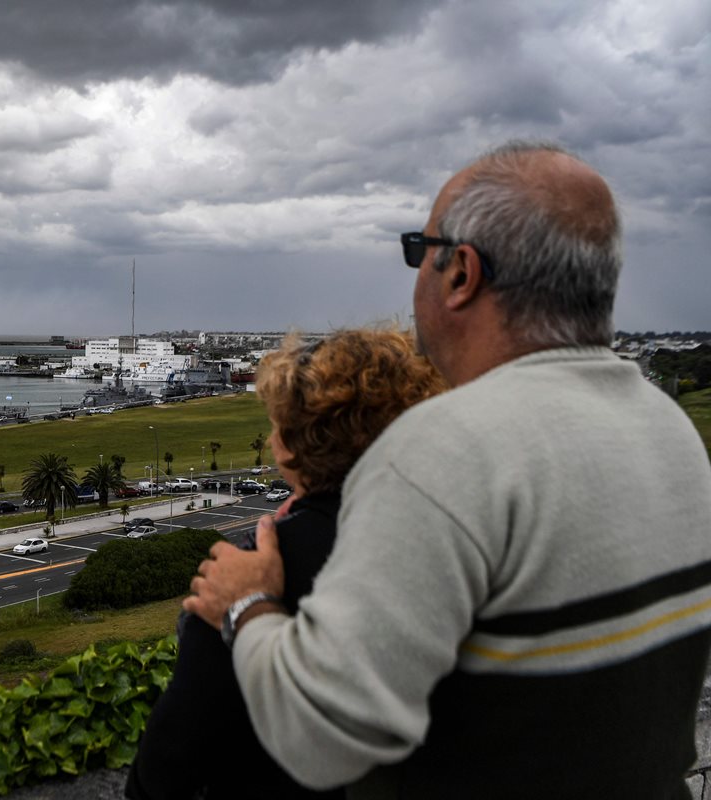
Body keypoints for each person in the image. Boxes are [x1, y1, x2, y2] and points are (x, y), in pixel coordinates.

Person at [183, 141, 711, 798]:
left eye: (418, 251)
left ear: (461, 272)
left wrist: (247, 603)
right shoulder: (669, 427)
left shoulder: (444, 449)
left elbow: (321, 738)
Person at [126, 329, 445, 800]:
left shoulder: (247, 576)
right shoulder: (451, 545)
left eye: (277, 424)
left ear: (292, 446)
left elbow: (164, 771)